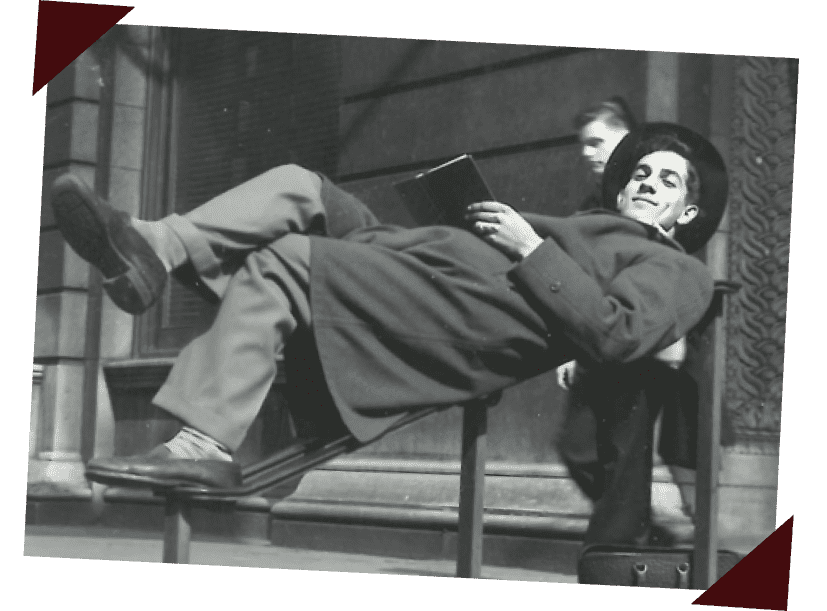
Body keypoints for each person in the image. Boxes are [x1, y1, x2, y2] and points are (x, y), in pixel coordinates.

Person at [50, 122, 727, 541]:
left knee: (283, 261)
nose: (644, 181)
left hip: (455, 309)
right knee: (297, 187)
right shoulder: (592, 220)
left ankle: (203, 440)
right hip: (417, 257)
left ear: (688, 210)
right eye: (639, 171)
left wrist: (527, 246)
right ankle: (153, 249)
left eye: (665, 179)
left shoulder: (675, 268)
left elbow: (615, 333)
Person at [558, 100, 697, 547]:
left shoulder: (661, 203)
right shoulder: (594, 205)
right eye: (585, 145)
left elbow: (672, 278)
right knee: (579, 448)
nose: (589, 153)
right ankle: (637, 526)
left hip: (643, 339)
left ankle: (622, 542)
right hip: (597, 337)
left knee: (624, 454)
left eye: (598, 142)